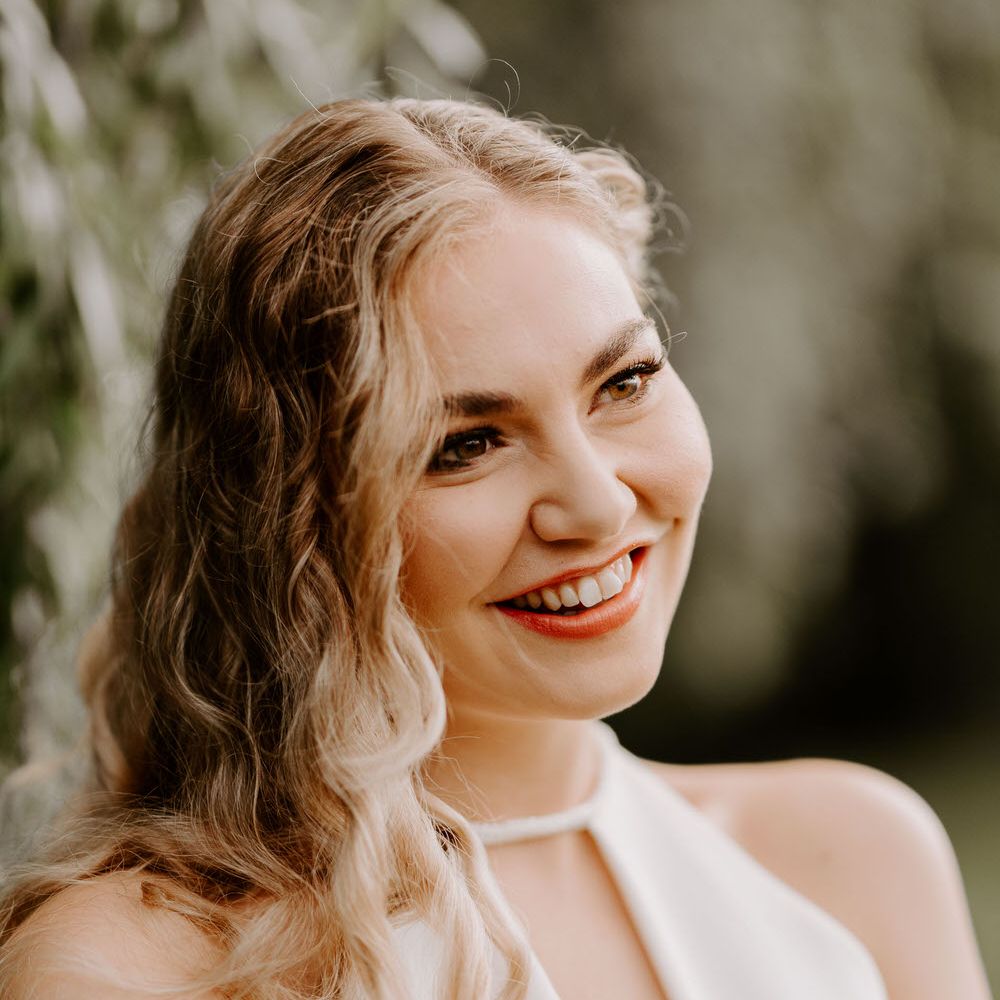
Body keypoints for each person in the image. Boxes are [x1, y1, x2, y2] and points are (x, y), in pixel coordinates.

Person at [0, 97, 991, 1000]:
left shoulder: (852, 860)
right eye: (465, 446)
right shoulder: (126, 972)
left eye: (624, 381)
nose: (597, 505)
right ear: (290, 521)